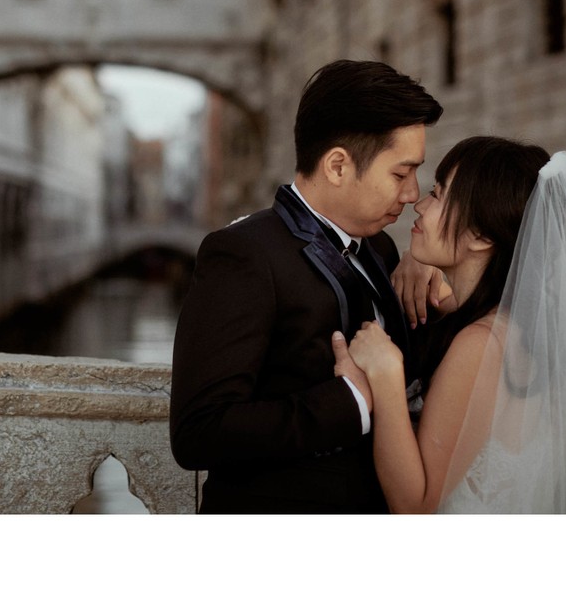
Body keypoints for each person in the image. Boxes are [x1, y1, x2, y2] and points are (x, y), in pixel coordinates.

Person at [334, 136, 566, 512]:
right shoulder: (517, 321)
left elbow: (417, 506)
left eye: (439, 193)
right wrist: (419, 262)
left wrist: (384, 374)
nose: (419, 205)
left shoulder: (481, 344)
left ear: (482, 235)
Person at [169, 59, 442, 513]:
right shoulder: (242, 254)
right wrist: (351, 399)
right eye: (400, 173)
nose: (413, 193)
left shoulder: (384, 252)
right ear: (338, 165)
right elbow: (198, 432)